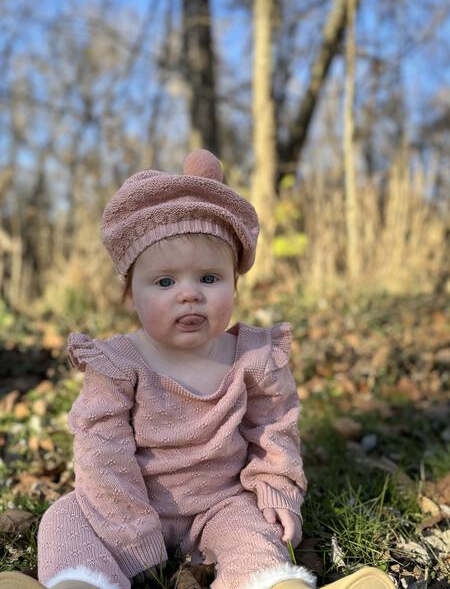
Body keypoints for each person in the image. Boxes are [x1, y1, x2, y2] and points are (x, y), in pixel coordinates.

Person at [0, 150, 395, 589]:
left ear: (235, 283)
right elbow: (101, 451)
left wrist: (275, 486)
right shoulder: (117, 363)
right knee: (65, 518)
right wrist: (132, 537)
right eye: (165, 282)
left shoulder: (253, 357)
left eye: (209, 278)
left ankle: (274, 583)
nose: (189, 294)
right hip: (128, 502)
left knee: (251, 530)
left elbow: (274, 430)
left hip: (220, 500)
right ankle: (82, 582)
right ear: (131, 296)